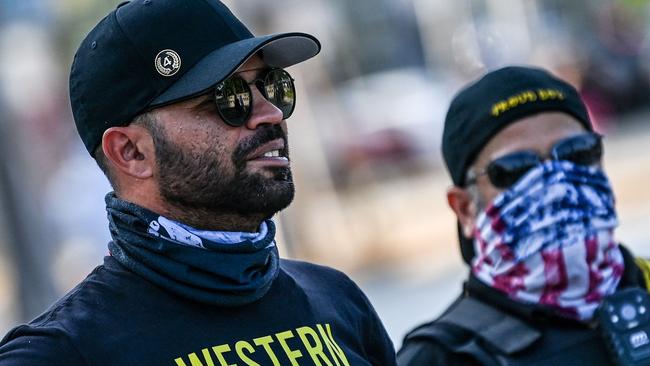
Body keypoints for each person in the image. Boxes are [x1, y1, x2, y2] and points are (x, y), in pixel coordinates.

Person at [0, 1, 396, 365]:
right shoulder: (64, 353)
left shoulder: (337, 298)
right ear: (131, 152)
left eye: (271, 85)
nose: (270, 112)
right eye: (228, 98)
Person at [397, 66, 650, 365]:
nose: (557, 182)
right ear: (465, 208)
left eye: (577, 153)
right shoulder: (442, 358)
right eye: (514, 170)